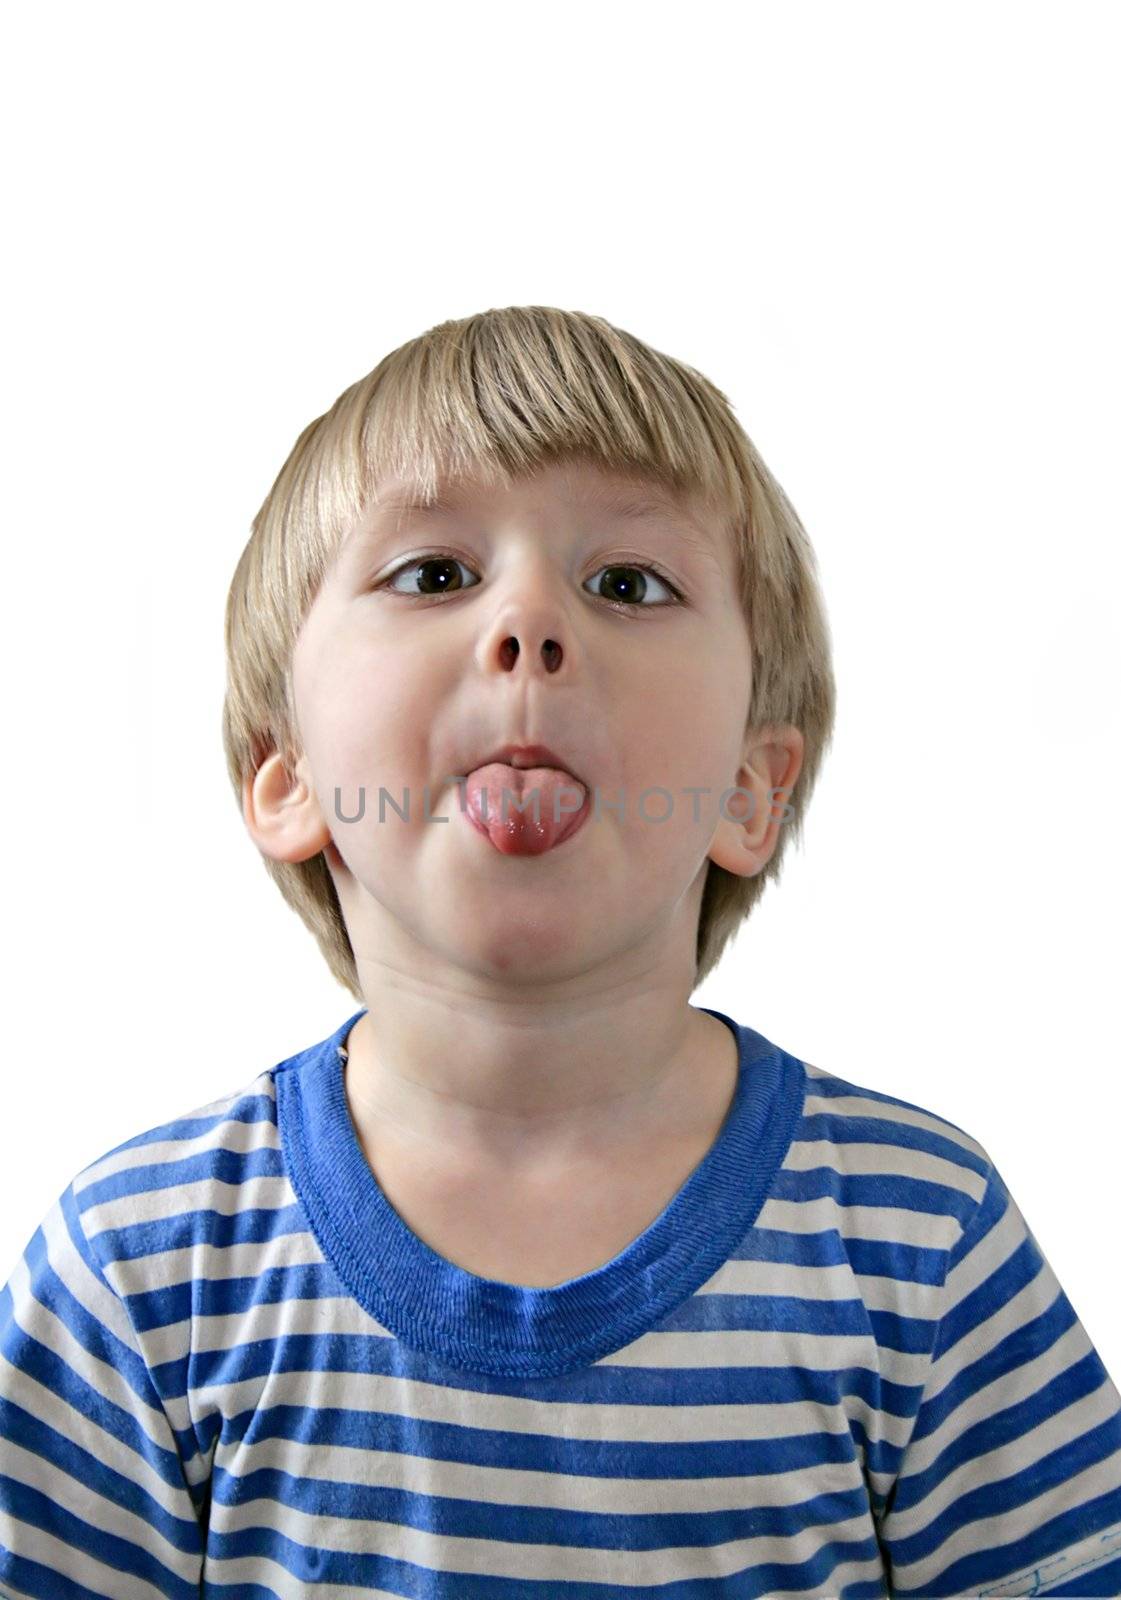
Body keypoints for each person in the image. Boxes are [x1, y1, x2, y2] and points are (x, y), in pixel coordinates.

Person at [2, 306, 1118, 1598]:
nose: (529, 627)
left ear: (751, 793)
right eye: (431, 575)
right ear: (286, 775)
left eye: (626, 585)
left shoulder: (918, 1246)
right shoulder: (144, 1273)